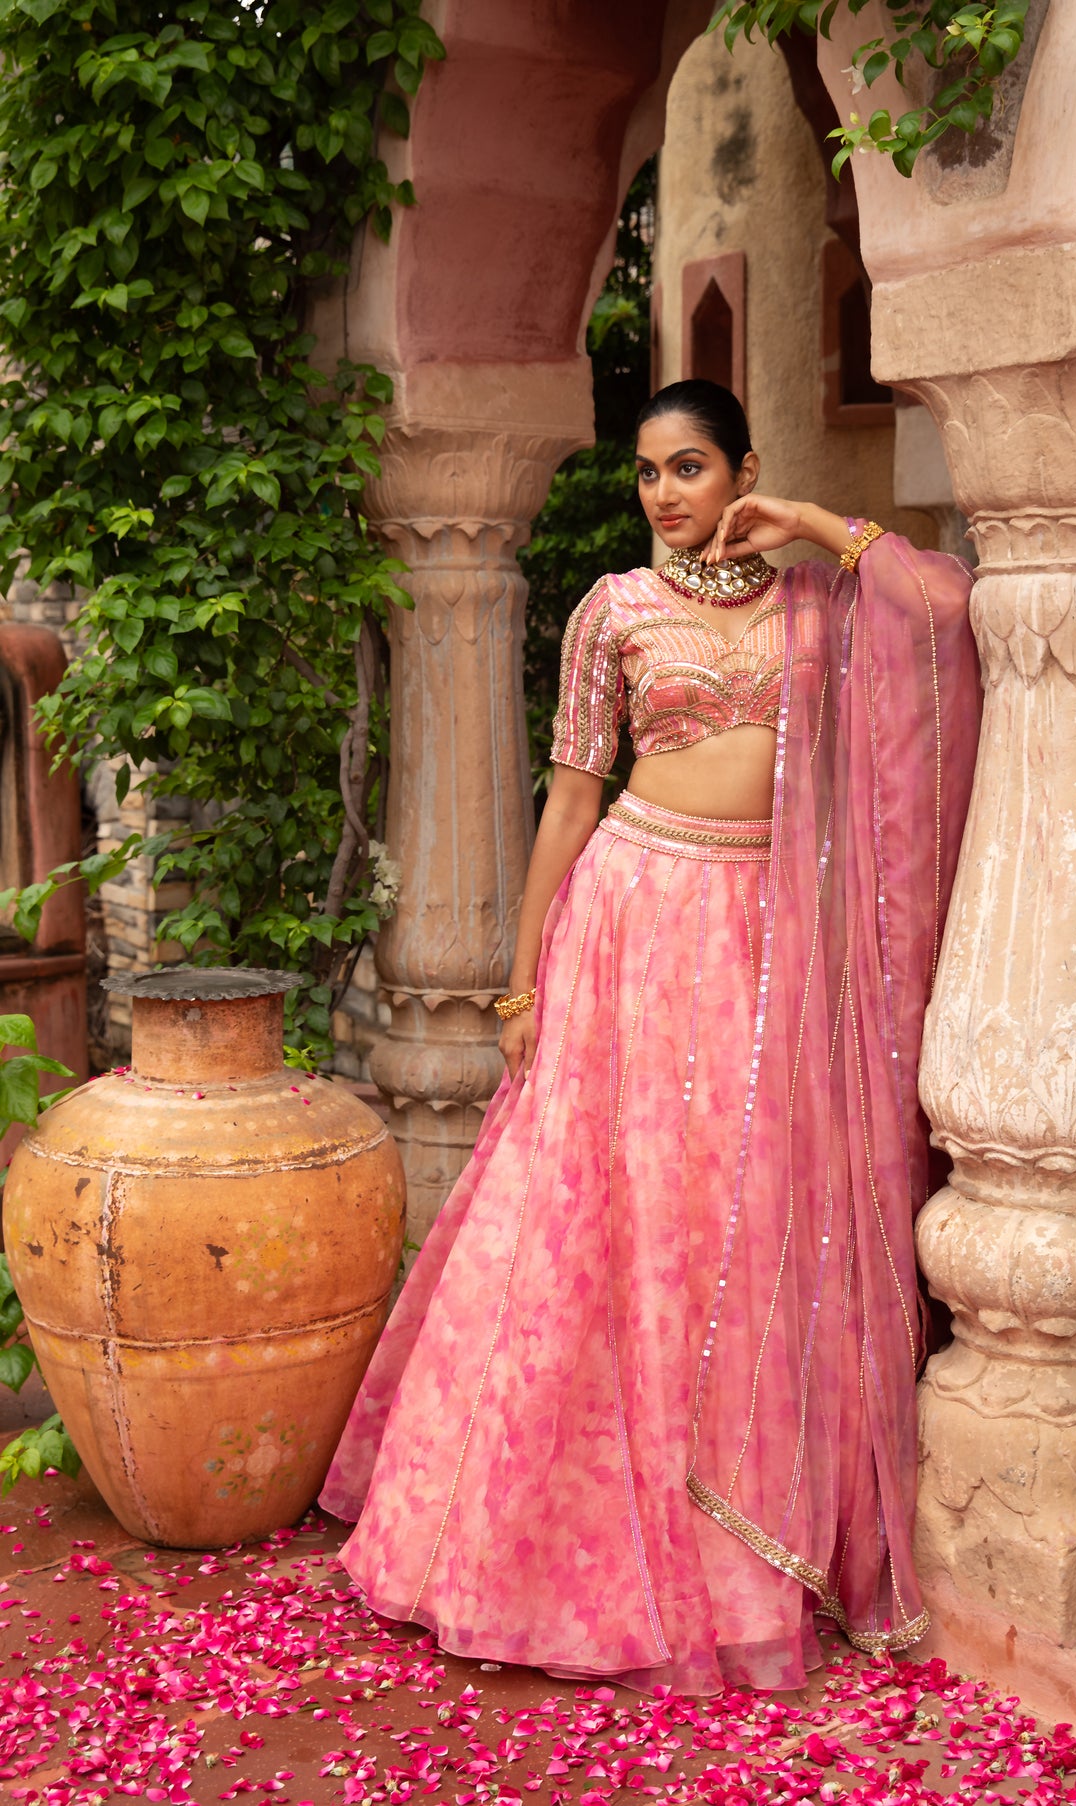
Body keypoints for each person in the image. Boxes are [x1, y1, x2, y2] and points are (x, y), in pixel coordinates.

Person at [321, 379, 982, 1696]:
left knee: (739, 1210)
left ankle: (739, 1514)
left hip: (766, 938)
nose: (665, 493)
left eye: (690, 467)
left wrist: (805, 520)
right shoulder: (611, 609)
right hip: (628, 916)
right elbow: (568, 798)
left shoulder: (815, 603)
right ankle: (538, 1537)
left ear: (740, 465)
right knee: (598, 1216)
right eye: (647, 473)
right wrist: (520, 985)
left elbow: (948, 607)